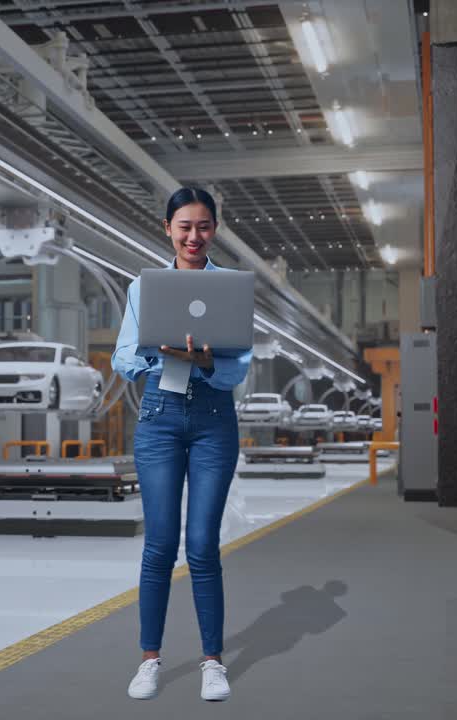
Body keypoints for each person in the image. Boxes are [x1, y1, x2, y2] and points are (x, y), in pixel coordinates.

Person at [111, 187, 252, 702]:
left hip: (214, 421)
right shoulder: (142, 288)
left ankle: (212, 662)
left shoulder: (232, 289)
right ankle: (150, 660)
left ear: (215, 229)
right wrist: (159, 354)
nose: (195, 236)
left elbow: (241, 364)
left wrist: (209, 362)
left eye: (204, 227)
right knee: (159, 544)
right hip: (160, 419)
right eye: (185, 227)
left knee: (201, 546)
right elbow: (121, 357)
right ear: (167, 228)